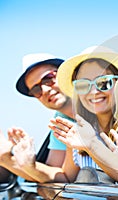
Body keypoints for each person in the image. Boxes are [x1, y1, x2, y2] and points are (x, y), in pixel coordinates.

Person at [11, 46, 118, 183]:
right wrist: (29, 166)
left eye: (103, 82)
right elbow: (66, 177)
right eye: (83, 85)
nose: (94, 91)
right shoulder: (77, 132)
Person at [0, 53, 73, 182]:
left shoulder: (100, 104)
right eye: (36, 89)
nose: (44, 90)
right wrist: (6, 158)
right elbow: (59, 178)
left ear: (66, 74)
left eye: (48, 79)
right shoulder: (60, 122)